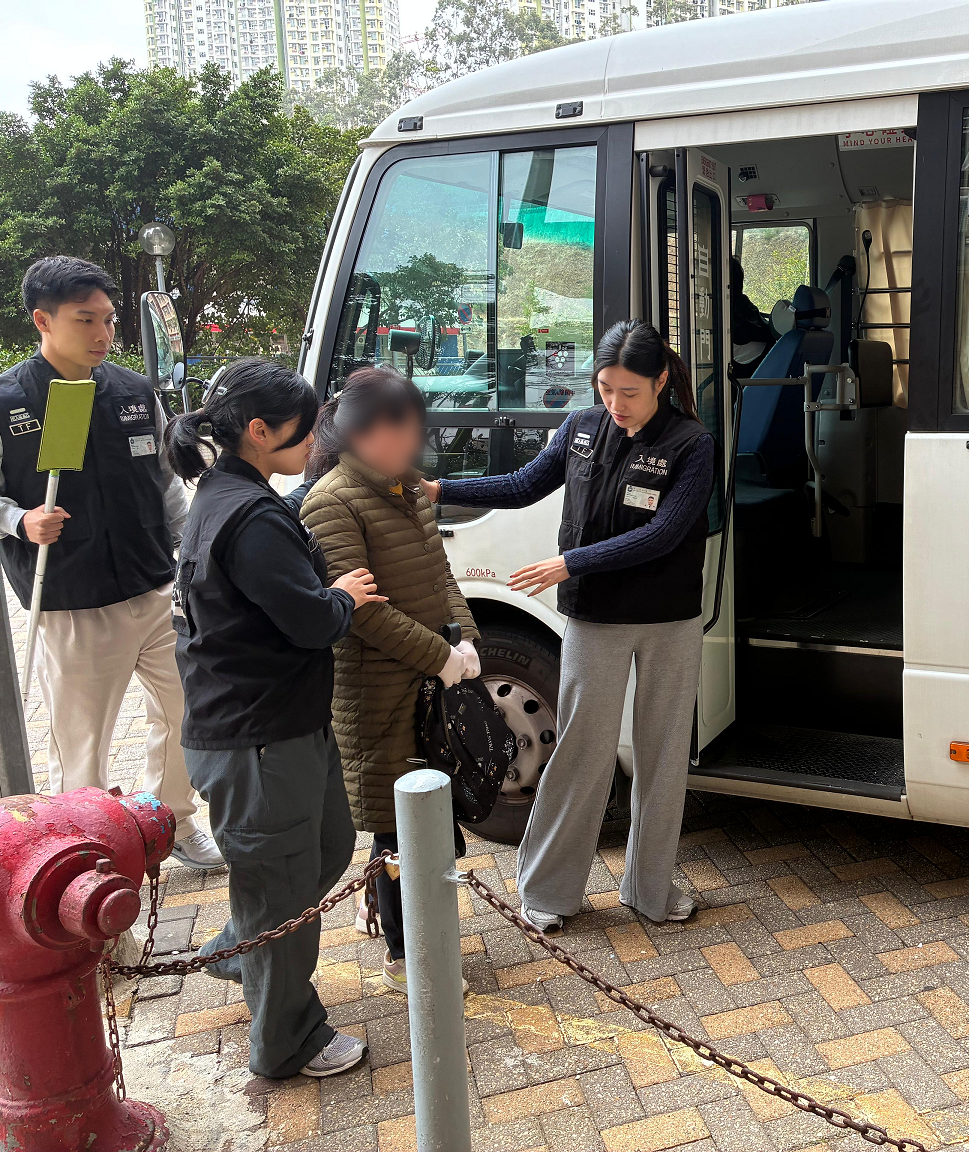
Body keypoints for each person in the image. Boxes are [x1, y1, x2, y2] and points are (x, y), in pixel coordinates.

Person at [420, 319, 714, 932]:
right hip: (595, 617)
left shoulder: (691, 443)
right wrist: (439, 487)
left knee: (662, 754)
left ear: (661, 381)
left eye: (630, 392)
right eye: (606, 389)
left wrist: (567, 562)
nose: (616, 404)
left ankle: (650, 891)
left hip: (668, 618)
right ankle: (549, 893)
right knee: (582, 749)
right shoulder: (580, 428)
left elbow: (663, 534)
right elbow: (525, 484)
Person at [167, 358, 385, 1079]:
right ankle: (287, 1039)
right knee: (281, 888)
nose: (317, 434)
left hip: (281, 726)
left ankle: (243, 949)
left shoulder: (237, 493)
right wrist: (345, 597)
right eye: (305, 424)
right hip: (256, 741)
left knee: (324, 848)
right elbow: (310, 621)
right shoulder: (249, 514)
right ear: (259, 432)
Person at [0, 256, 221, 869]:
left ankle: (171, 821)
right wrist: (20, 521)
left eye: (109, 319)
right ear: (43, 320)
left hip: (154, 587)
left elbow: (166, 484)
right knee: (81, 738)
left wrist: (192, 550)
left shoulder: (132, 390)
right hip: (72, 597)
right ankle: (83, 849)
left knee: (185, 709)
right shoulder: (8, 401)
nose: (102, 334)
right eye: (85, 320)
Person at [300, 366, 480, 993]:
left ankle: (422, 932)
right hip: (379, 690)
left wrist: (466, 640)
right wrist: (439, 656)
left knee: (432, 814)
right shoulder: (332, 501)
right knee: (395, 822)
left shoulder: (406, 486)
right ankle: (410, 956)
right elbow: (365, 614)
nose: (411, 442)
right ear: (359, 432)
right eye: (397, 428)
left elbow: (441, 576)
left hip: (430, 682)